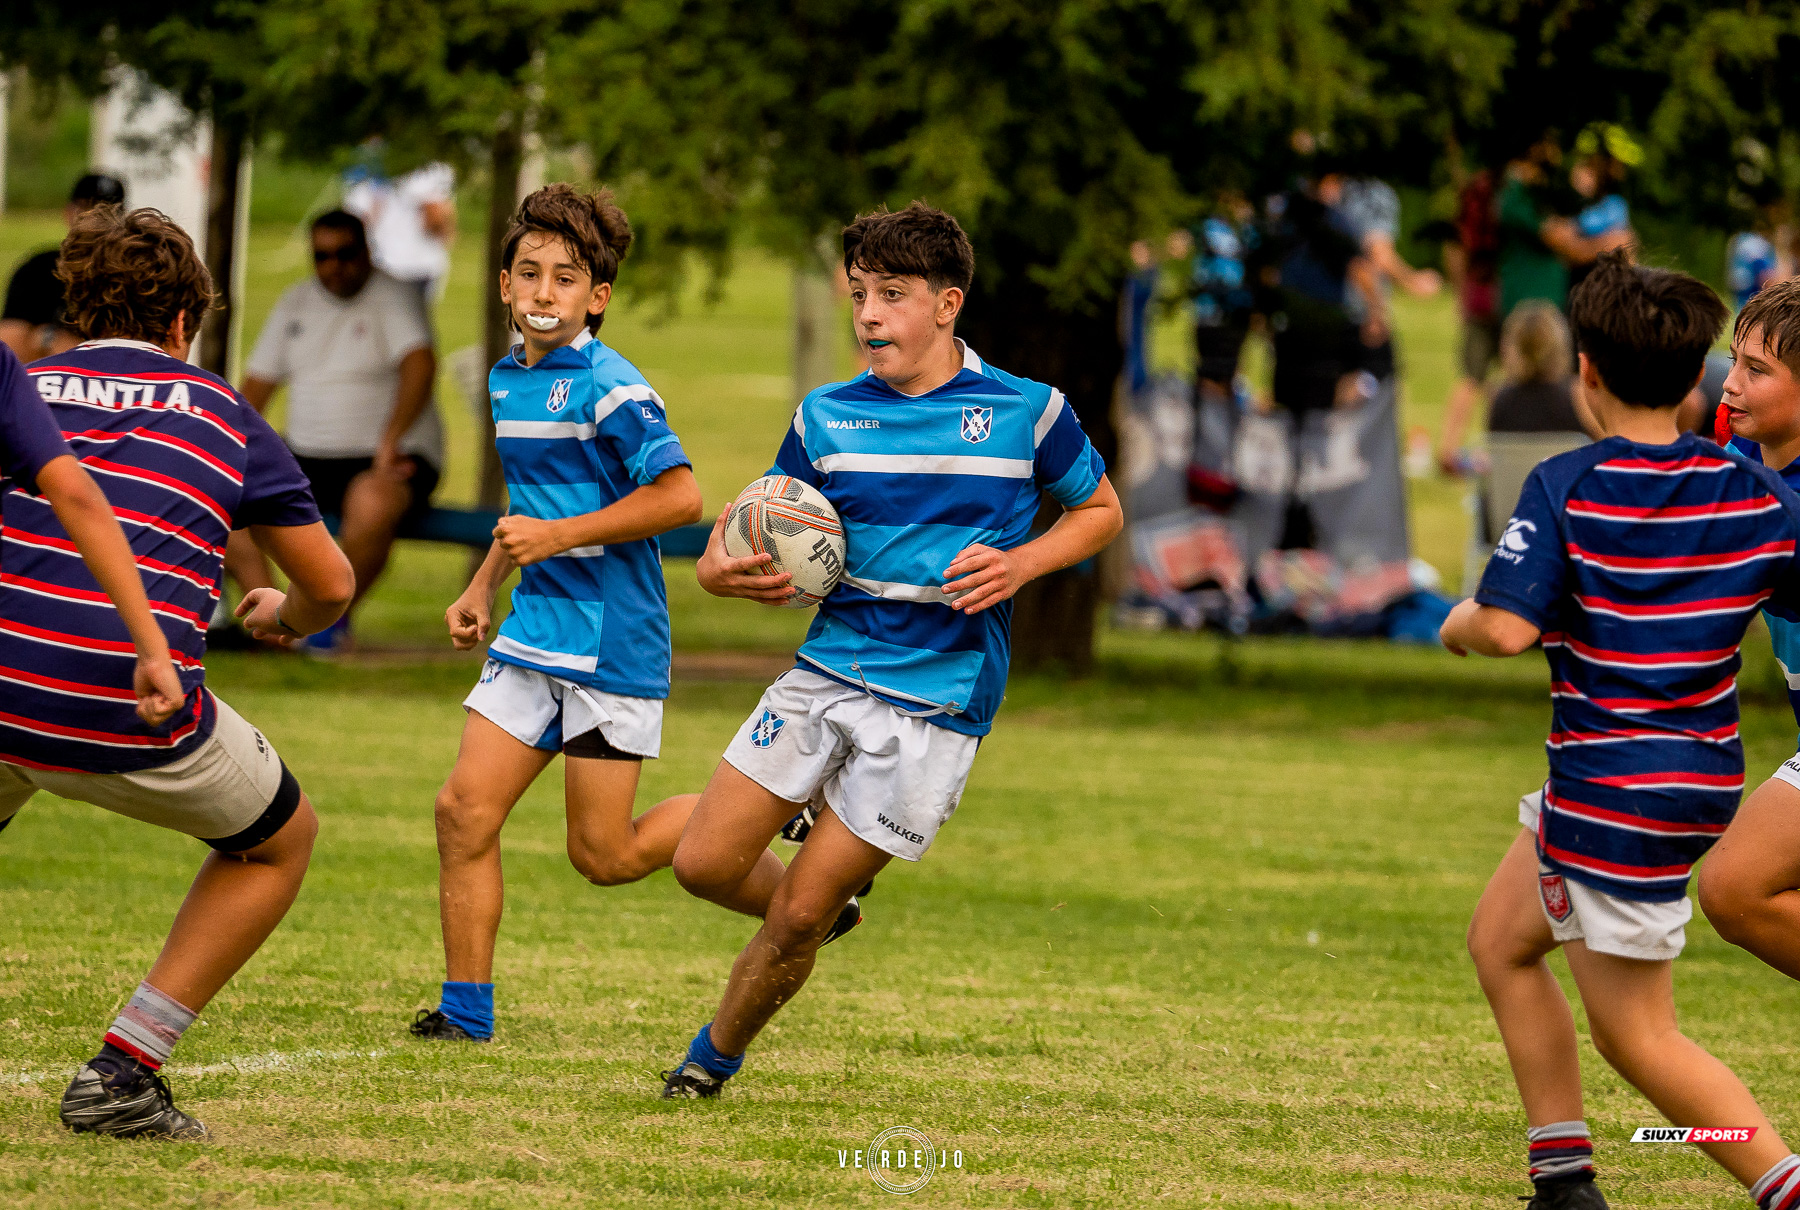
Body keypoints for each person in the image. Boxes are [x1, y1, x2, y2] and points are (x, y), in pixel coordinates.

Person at [658, 201, 1123, 1099]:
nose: (869, 314)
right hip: (827, 667)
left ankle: (709, 1061)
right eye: (860, 294)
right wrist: (723, 573)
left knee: (796, 915)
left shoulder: (1028, 412)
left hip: (938, 701)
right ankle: (831, 878)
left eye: (894, 295)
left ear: (947, 305)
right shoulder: (825, 416)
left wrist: (1023, 562)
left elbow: (1099, 511)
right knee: (701, 864)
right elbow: (767, 527)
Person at [1446, 252, 1800, 1210]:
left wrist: (1459, 623)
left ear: (1586, 371)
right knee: (1501, 941)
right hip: (1691, 785)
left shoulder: (1566, 484)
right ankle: (1564, 1184)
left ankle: (1783, 1183)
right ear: (1697, 381)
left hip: (1612, 792)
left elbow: (1509, 625)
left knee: (1641, 1041)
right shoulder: (1759, 500)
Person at [0, 205, 354, 1139]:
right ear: (184, 322)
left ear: (76, 305)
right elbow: (331, 583)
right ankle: (124, 1072)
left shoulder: (23, 383)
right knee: (280, 839)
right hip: (125, 699)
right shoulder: (224, 413)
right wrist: (282, 612)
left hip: (3, 685)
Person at [408, 184, 706, 1045]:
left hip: (614, 638)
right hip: (536, 630)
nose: (544, 293)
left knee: (602, 856)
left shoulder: (614, 388)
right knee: (462, 810)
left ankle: (769, 801)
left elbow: (681, 497)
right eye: (529, 274)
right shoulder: (508, 378)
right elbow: (532, 506)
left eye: (565, 279)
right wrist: (482, 584)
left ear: (596, 299)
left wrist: (563, 535)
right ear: (503, 284)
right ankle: (465, 1013)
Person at [231, 209, 441, 652]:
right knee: (228, 501)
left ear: (366, 251)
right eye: (322, 256)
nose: (334, 266)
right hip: (307, 454)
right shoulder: (296, 300)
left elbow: (419, 365)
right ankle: (273, 628)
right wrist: (229, 446)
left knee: (371, 502)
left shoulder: (395, 295)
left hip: (385, 457)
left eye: (345, 254)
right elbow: (255, 387)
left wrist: (390, 441)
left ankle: (325, 625)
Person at [1697, 279, 1800, 991]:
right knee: (1734, 889)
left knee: (1734, 884)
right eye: (1734, 361)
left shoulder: (1762, 493)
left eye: (1757, 370)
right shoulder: (1748, 470)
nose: (1729, 385)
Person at [0, 341, 184, 729]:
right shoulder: (222, 406)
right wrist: (153, 651)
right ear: (181, 323)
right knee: (283, 795)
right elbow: (76, 495)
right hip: (54, 700)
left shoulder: (29, 374)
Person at [1446, 301, 1600, 587]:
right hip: (1571, 525)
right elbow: (1607, 451)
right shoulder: (1577, 397)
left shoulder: (1498, 399)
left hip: (1508, 524)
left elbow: (1490, 458)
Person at [0, 173, 127, 363]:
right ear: (68, 212)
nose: (96, 219)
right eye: (86, 208)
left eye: (107, 211)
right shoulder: (38, 269)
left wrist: (48, 340)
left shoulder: (133, 274)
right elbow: (8, 349)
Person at [1436, 170, 1503, 475]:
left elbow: (1455, 247)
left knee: (1472, 377)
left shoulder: (1473, 193)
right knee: (1489, 378)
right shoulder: (1512, 189)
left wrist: (1462, 292)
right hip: (1504, 295)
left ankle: (1449, 449)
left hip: (1478, 296)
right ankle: (1489, 448)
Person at [343, 162, 457, 305]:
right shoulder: (428, 167)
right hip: (416, 265)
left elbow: (357, 220)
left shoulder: (367, 164)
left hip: (377, 263)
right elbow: (435, 216)